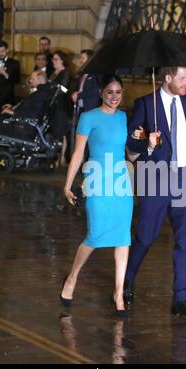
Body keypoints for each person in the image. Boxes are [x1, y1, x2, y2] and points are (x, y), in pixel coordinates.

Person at [124, 66, 186, 319]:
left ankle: (182, 299)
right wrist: (147, 143)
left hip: (184, 177)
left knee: (185, 241)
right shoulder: (145, 104)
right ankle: (127, 280)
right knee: (145, 237)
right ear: (167, 78)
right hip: (155, 179)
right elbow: (130, 145)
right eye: (182, 77)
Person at [60, 74, 133, 317]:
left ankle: (118, 292)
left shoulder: (124, 117)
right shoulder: (89, 117)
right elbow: (78, 153)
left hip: (121, 181)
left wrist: (150, 143)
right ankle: (72, 278)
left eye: (119, 92)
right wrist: (68, 184)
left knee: (123, 239)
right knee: (95, 234)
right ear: (101, 92)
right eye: (110, 92)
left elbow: (131, 155)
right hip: (97, 179)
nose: (115, 97)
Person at [0, 70, 51, 144]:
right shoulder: (42, 92)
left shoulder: (40, 95)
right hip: (22, 123)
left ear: (39, 79)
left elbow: (33, 115)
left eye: (32, 79)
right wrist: (13, 107)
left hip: (23, 127)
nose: (30, 81)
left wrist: (13, 112)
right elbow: (28, 107)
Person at [49, 50, 71, 164]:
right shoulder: (55, 73)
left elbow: (65, 89)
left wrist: (55, 86)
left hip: (61, 106)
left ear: (62, 60)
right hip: (53, 105)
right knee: (55, 132)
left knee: (60, 132)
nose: (53, 61)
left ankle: (61, 157)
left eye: (56, 59)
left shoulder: (65, 73)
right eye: (53, 59)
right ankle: (57, 156)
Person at [71, 49, 101, 115]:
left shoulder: (95, 73)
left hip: (91, 109)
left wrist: (79, 95)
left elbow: (96, 91)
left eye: (83, 58)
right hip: (81, 109)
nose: (80, 60)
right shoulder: (82, 74)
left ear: (90, 60)